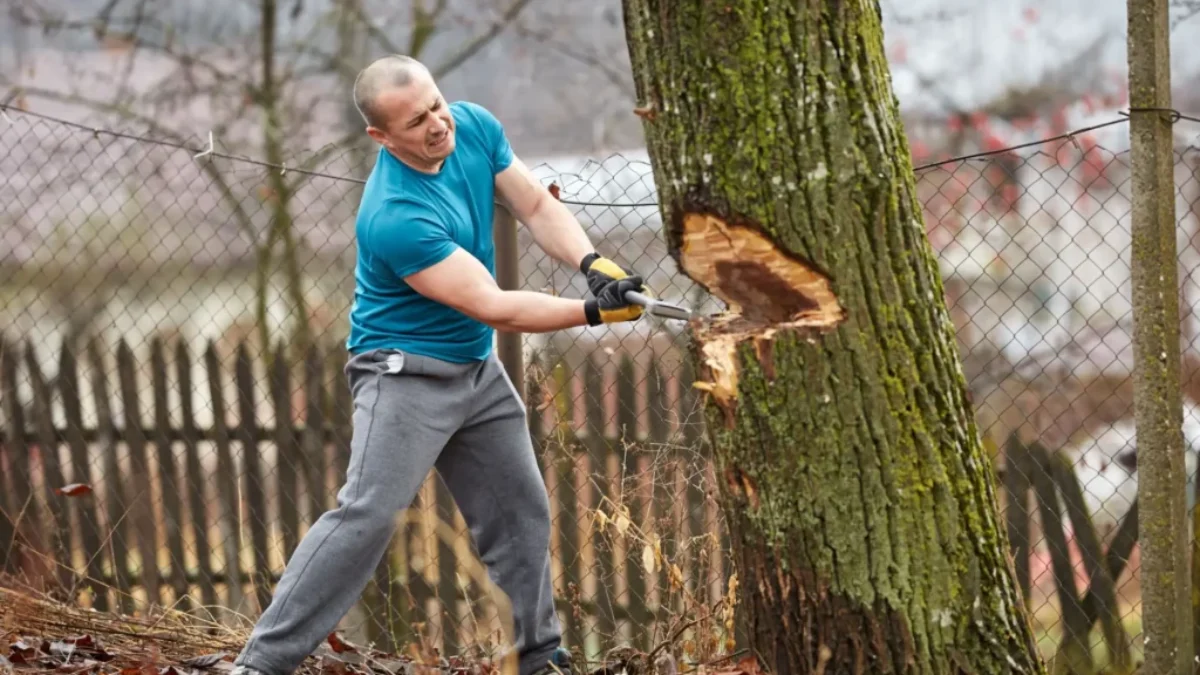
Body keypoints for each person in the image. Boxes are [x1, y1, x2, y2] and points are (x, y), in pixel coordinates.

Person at [230, 55, 646, 675]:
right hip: (403, 374)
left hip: (474, 370)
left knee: (520, 508)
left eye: (435, 105)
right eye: (415, 120)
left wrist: (591, 263)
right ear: (381, 137)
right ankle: (259, 664)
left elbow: (533, 204)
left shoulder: (474, 126)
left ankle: (538, 658)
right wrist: (591, 312)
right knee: (367, 514)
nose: (436, 124)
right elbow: (494, 304)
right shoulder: (395, 215)